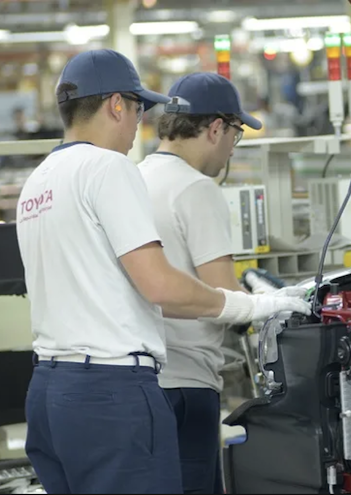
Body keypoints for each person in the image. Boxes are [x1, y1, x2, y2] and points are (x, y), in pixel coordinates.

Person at [16, 49, 310, 494]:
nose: (140, 123)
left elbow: (115, 289)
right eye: (139, 108)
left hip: (49, 392)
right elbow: (159, 285)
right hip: (112, 392)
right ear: (117, 104)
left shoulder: (39, 180)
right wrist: (256, 304)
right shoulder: (107, 167)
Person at [137, 72, 271, 494]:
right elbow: (225, 296)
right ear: (217, 128)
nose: (233, 145)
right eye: (236, 133)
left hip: (142, 383)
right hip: (188, 385)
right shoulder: (197, 189)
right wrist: (270, 301)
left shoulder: (132, 179)